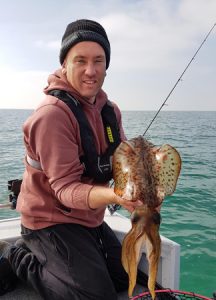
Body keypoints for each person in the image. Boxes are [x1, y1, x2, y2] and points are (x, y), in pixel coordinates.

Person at [0, 19, 143, 299]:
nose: (91, 71)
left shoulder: (110, 111)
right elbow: (65, 190)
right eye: (81, 60)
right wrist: (116, 195)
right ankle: (17, 258)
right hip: (48, 221)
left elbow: (123, 162)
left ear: (107, 65)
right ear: (65, 64)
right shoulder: (52, 115)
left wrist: (143, 186)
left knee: (126, 278)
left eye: (98, 61)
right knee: (94, 295)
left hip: (88, 218)